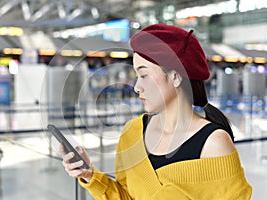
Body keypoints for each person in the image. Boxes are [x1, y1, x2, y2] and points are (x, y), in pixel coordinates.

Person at [60, 24, 252, 199]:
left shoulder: (214, 144)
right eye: (137, 76)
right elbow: (126, 195)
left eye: (144, 75)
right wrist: (90, 175)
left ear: (176, 77)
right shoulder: (132, 133)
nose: (136, 86)